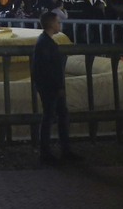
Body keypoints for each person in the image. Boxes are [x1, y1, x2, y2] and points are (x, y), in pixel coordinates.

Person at [31, 10, 81, 164]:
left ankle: (55, 151)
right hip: (51, 88)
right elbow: (49, 68)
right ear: (52, 24)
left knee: (55, 116)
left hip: (49, 86)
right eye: (58, 22)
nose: (59, 24)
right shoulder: (47, 44)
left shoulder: (43, 41)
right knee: (52, 117)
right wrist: (57, 86)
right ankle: (53, 152)